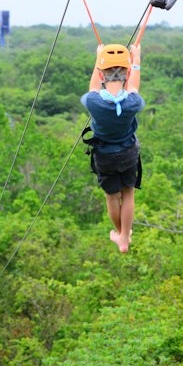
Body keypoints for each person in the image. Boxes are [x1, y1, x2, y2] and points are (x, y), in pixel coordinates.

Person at [81, 43, 144, 253]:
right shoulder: (132, 103)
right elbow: (133, 86)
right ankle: (125, 235)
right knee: (128, 193)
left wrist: (97, 58)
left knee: (112, 196)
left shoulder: (94, 102)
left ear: (101, 74)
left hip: (105, 156)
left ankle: (121, 235)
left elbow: (92, 87)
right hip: (128, 153)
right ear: (125, 73)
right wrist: (136, 61)